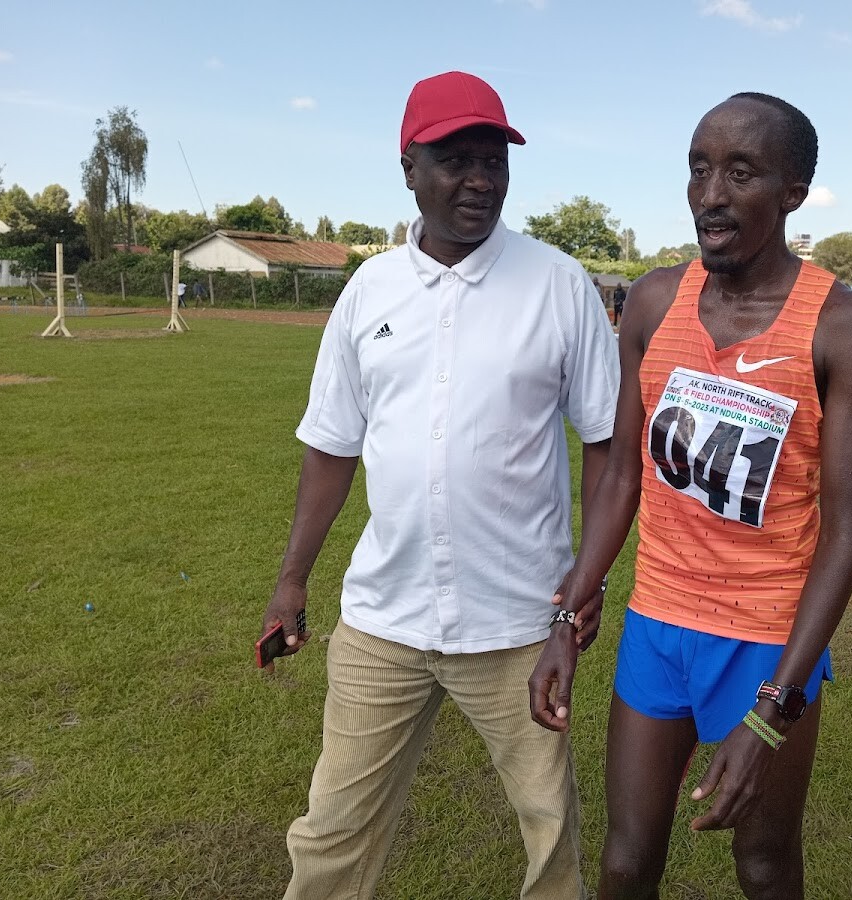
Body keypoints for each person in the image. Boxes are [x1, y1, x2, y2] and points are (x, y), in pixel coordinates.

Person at [262, 70, 620, 900]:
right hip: (384, 620)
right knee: (332, 827)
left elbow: (605, 444)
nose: (480, 181)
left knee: (549, 827)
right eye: (457, 161)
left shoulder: (558, 284)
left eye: (494, 160)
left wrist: (584, 584)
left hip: (520, 621)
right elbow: (331, 447)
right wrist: (291, 579)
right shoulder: (369, 291)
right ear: (408, 169)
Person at [529, 92, 852, 899]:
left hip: (766, 638)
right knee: (626, 861)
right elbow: (623, 476)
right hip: (658, 623)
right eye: (698, 169)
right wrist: (566, 617)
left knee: (763, 863)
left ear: (793, 192)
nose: (710, 194)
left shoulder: (839, 325)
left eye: (740, 172)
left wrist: (775, 705)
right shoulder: (654, 302)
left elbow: (844, 534)